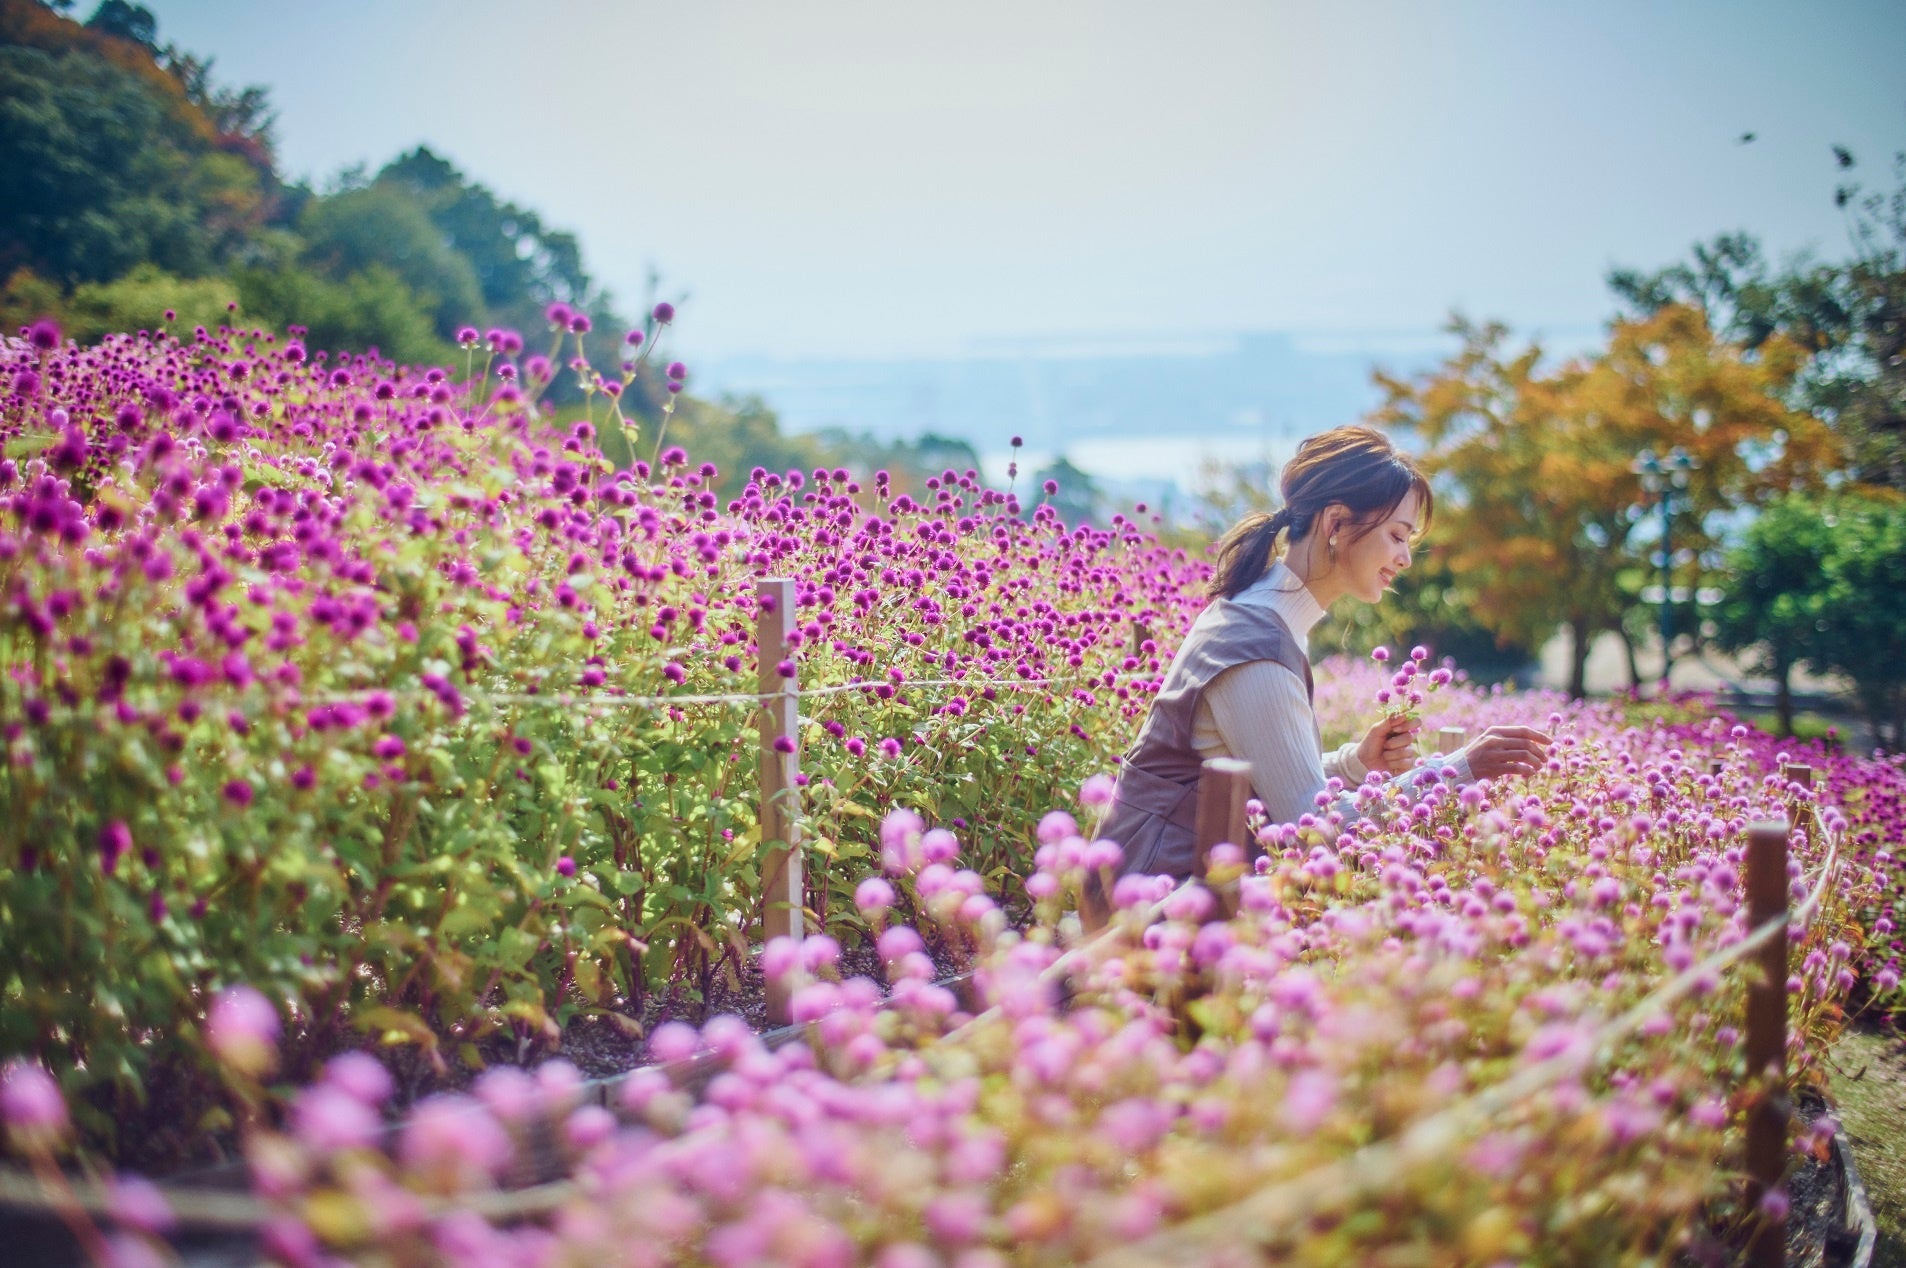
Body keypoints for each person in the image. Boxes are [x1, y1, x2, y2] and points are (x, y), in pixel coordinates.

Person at [1094, 425, 1551, 896]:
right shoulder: (1257, 648)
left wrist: (1355, 763)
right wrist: (1460, 770)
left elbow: (1255, 772)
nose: (1406, 559)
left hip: (1165, 884)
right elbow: (1312, 831)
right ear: (1335, 524)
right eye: (1397, 535)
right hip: (1147, 909)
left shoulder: (1262, 617)